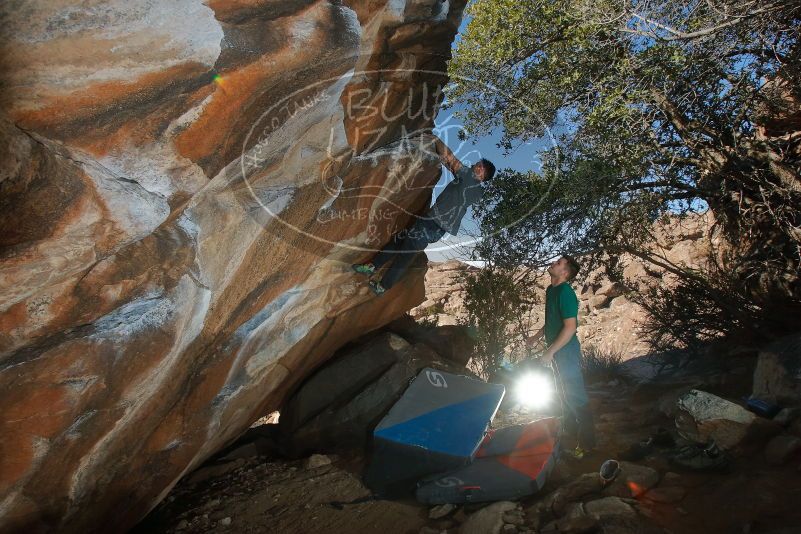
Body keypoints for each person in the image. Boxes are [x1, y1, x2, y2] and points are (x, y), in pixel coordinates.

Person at [352, 134, 496, 295]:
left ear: (482, 173)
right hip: (435, 226)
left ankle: (382, 285)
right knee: (400, 240)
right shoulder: (475, 189)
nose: (475, 164)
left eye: (479, 165)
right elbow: (453, 170)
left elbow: (451, 159)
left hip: (432, 224)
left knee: (405, 253)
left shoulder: (470, 179)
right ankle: (374, 269)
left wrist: (435, 139)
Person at [526, 255, 596, 458]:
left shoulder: (565, 293)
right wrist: (536, 336)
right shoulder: (551, 290)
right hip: (557, 351)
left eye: (558, 263)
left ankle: (588, 445)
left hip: (566, 351)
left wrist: (550, 352)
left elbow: (570, 327)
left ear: (565, 272)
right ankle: (570, 435)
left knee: (576, 396)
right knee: (564, 395)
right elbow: (552, 320)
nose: (553, 263)